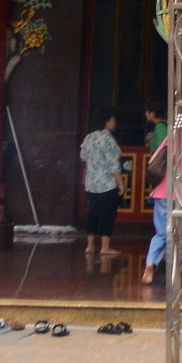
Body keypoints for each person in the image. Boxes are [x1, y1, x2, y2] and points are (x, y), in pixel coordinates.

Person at [144, 102, 182, 279]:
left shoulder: (171, 138)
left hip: (164, 190)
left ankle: (150, 263)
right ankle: (177, 271)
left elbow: (153, 160)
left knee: (162, 232)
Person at [78, 110, 123, 267]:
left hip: (91, 183)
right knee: (107, 214)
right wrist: (121, 184)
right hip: (107, 184)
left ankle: (90, 245)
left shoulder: (89, 137)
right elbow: (114, 166)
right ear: (106, 122)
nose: (114, 123)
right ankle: (105, 246)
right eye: (112, 120)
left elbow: (83, 156)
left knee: (93, 213)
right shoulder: (109, 140)